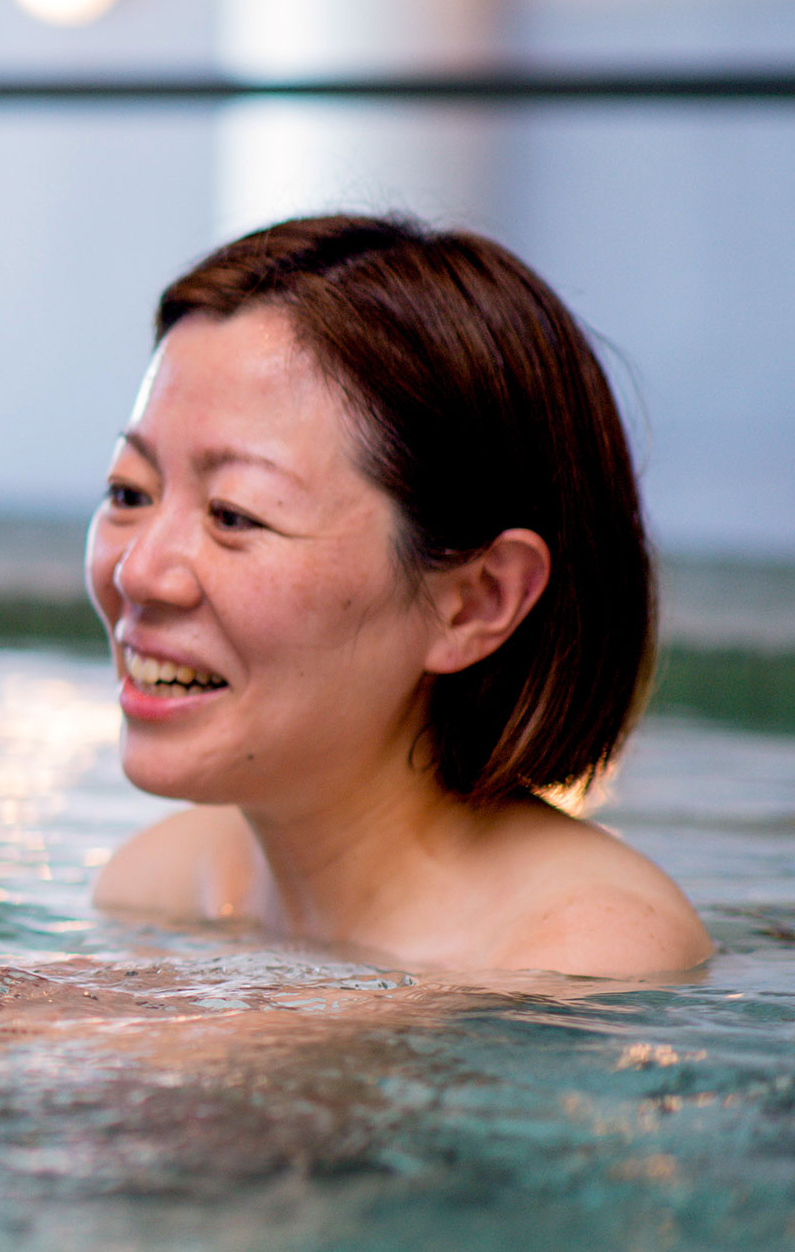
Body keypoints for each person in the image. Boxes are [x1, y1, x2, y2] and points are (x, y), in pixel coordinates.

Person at [88, 215, 710, 976]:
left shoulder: (588, 955)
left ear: (475, 602)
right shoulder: (159, 891)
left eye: (234, 515)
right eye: (129, 492)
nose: (139, 572)